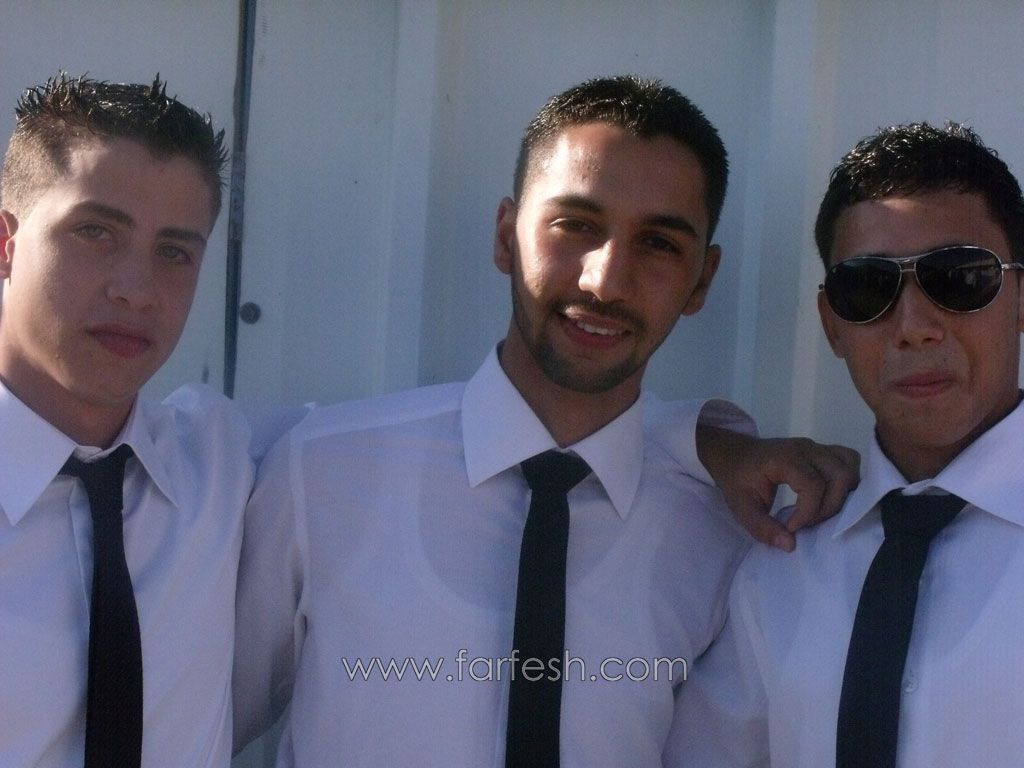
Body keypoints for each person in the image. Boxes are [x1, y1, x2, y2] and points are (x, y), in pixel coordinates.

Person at [232, 75, 856, 767]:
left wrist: (708, 444)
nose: (604, 281)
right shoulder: (324, 474)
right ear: (507, 237)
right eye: (576, 225)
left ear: (701, 281)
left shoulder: (723, 536)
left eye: (658, 243)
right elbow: (189, 724)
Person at [670, 122, 1024, 766]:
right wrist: (706, 443)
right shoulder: (778, 571)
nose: (914, 327)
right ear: (832, 325)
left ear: (1022, 297)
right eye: (867, 288)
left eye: (959, 278)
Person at [0, 74, 253, 767]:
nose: (136, 291)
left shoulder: (220, 464)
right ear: (6, 244)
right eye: (96, 233)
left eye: (174, 252)